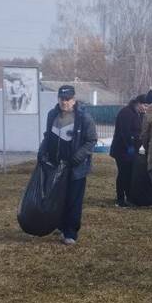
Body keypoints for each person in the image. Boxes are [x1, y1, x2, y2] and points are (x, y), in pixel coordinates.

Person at [36, 85, 97, 245]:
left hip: (76, 168)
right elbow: (48, 136)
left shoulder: (84, 118)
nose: (64, 102)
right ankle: (61, 226)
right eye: (62, 98)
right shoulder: (52, 115)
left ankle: (70, 232)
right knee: (58, 198)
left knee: (73, 200)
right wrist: (42, 151)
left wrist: (78, 157)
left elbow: (91, 141)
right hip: (56, 166)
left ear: (74, 100)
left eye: (68, 99)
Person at [109, 94, 147, 207]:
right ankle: (120, 199)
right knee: (123, 174)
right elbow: (124, 132)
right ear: (138, 103)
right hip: (122, 149)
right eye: (145, 105)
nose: (146, 108)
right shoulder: (126, 113)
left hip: (131, 149)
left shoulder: (137, 114)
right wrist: (130, 145)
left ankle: (129, 197)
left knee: (129, 173)